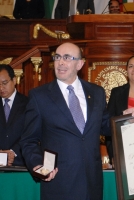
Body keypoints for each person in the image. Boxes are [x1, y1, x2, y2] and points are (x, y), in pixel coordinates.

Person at [20, 42, 110, 200]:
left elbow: (107, 126)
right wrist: (38, 165)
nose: (61, 62)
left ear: (80, 64)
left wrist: (128, 119)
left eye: (67, 57)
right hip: (58, 185)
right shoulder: (39, 96)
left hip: (92, 185)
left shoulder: (97, 93)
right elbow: (29, 140)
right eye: (57, 57)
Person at [0, 64, 28, 166]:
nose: (1, 88)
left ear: (14, 80)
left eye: (4, 83)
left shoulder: (28, 104)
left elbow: (30, 133)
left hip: (20, 162)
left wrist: (13, 152)